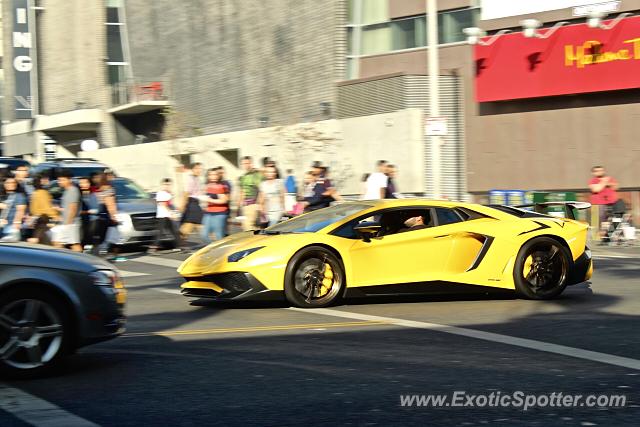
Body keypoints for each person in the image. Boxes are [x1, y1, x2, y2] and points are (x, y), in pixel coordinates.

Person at [51, 169, 82, 252]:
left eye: (62, 180)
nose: (59, 182)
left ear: (69, 180)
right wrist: (59, 209)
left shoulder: (73, 190)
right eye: (59, 180)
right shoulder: (66, 191)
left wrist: (69, 223)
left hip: (71, 222)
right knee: (57, 242)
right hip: (64, 222)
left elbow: (73, 208)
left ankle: (83, 261)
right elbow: (67, 208)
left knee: (74, 245)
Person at [149, 178, 181, 253]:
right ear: (162, 185)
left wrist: (173, 212)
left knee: (174, 231)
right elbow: (163, 204)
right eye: (165, 185)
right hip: (162, 216)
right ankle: (153, 248)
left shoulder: (168, 193)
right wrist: (171, 213)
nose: (167, 186)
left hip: (167, 215)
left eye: (169, 185)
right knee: (160, 232)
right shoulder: (161, 193)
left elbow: (170, 204)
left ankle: (180, 246)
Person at [92, 172, 119, 258]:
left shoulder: (99, 189)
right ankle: (110, 254)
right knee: (110, 237)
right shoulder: (108, 189)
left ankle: (99, 254)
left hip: (99, 216)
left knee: (102, 237)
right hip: (105, 215)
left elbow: (108, 203)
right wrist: (114, 216)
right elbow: (110, 204)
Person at [200, 169, 230, 243]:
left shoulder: (220, 186)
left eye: (215, 174)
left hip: (219, 213)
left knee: (219, 236)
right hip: (209, 212)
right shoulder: (207, 186)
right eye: (211, 174)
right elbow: (205, 197)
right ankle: (213, 249)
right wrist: (203, 203)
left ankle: (221, 252)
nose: (213, 176)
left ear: (218, 176)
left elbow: (224, 200)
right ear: (208, 176)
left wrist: (209, 200)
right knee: (204, 235)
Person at [27, 175, 58, 245]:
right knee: (45, 243)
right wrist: (56, 216)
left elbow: (32, 209)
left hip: (37, 221)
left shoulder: (35, 193)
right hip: (44, 220)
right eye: (45, 179)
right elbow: (46, 208)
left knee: (39, 243)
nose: (47, 180)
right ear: (40, 182)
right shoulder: (43, 193)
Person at [180, 162, 204, 240]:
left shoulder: (197, 179)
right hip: (191, 204)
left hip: (196, 203)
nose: (199, 170)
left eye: (200, 168)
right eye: (196, 168)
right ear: (192, 169)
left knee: (189, 225)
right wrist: (183, 206)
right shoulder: (190, 179)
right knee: (197, 224)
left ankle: (180, 242)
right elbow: (186, 193)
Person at [237, 156, 263, 231]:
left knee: (248, 227)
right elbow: (242, 191)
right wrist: (239, 205)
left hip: (253, 204)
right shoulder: (243, 177)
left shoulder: (256, 175)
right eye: (244, 163)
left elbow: (261, 190)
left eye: (248, 163)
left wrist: (259, 205)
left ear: (251, 163)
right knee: (247, 226)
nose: (246, 165)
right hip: (245, 206)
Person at [0, 177, 27, 241]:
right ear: (4, 184)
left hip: (11, 228)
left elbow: (20, 211)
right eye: (8, 183)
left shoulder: (19, 196)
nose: (11, 184)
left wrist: (16, 223)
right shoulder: (3, 196)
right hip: (2, 226)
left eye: (13, 182)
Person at [79, 177, 99, 250]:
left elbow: (97, 210)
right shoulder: (79, 195)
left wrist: (86, 212)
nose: (82, 184)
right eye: (80, 183)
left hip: (92, 220)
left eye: (84, 182)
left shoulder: (93, 195)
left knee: (89, 237)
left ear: (89, 183)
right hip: (82, 220)